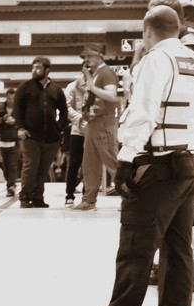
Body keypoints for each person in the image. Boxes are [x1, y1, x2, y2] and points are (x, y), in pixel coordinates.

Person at [74, 5, 194, 306]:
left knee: (135, 248)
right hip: (189, 164)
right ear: (177, 29)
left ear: (147, 32)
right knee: (179, 254)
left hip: (159, 165)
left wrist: (125, 158)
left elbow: (143, 111)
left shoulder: (156, 60)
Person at [150, 0, 194, 291]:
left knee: (190, 210)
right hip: (187, 139)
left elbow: (180, 96)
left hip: (182, 141)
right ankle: (189, 267)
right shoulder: (188, 42)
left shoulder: (186, 45)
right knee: (185, 209)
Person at [14, 57, 68, 209]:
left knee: (43, 169)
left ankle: (38, 197)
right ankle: (25, 197)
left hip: (52, 138)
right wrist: (20, 128)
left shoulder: (56, 90)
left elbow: (64, 111)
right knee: (30, 167)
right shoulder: (24, 87)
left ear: (47, 70)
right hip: (30, 136)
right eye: (33, 67)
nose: (34, 70)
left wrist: (59, 128)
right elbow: (17, 109)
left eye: (38, 68)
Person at [71, 43, 119, 212]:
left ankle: (131, 196)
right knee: (89, 163)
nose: (86, 60)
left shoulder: (106, 73)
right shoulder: (94, 74)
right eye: (84, 57)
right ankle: (89, 200)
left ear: (99, 55)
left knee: (112, 161)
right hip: (92, 123)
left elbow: (112, 96)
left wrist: (92, 86)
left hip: (104, 123)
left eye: (89, 56)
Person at [62, 72, 88, 205]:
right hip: (77, 131)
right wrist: (79, 118)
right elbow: (65, 107)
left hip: (94, 131)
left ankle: (88, 195)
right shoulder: (72, 86)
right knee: (74, 164)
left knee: (90, 165)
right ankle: (69, 195)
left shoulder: (100, 85)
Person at [0, 88, 20, 196]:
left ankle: (10, 187)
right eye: (9, 98)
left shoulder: (19, 107)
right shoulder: (0, 107)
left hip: (15, 141)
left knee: (12, 164)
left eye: (13, 98)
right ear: (6, 98)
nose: (11, 100)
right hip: (3, 141)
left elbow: (24, 121)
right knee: (6, 166)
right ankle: (10, 183)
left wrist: (15, 121)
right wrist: (3, 119)